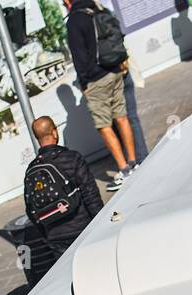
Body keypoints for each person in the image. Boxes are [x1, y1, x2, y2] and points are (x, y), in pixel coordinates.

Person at [64, 0, 137, 189]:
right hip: (113, 70)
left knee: (104, 125)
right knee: (121, 117)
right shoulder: (96, 9)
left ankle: (124, 170)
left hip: (96, 79)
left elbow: (79, 56)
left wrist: (84, 82)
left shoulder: (74, 20)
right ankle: (133, 162)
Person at [22, 115, 103, 274]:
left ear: (37, 137)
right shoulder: (72, 158)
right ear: (54, 132)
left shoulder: (31, 170)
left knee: (71, 276)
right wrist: (101, 222)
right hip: (83, 229)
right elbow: (90, 194)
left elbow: (30, 210)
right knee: (96, 271)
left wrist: (47, 233)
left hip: (56, 238)